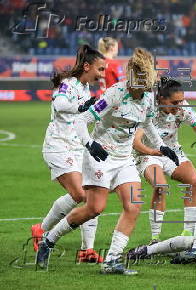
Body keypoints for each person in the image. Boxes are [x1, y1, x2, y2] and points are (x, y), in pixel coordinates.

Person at [36, 48, 179, 276]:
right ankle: (48, 240)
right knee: (94, 208)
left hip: (124, 160)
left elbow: (148, 124)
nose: (141, 90)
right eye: (138, 86)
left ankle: (111, 261)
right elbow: (82, 120)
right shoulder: (114, 93)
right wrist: (90, 145)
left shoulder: (148, 97)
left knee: (133, 206)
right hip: (99, 157)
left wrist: (161, 146)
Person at [31, 44, 106, 263]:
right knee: (80, 194)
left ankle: (87, 250)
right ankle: (41, 229)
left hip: (76, 146)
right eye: (99, 69)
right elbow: (62, 104)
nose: (101, 74)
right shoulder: (68, 84)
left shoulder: (85, 88)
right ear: (86, 66)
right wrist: (82, 107)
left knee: (93, 193)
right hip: (58, 146)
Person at [133, 77, 196, 244]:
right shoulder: (148, 108)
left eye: (181, 101)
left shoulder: (183, 108)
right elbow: (136, 143)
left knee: (194, 182)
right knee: (160, 186)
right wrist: (154, 151)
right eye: (174, 102)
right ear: (161, 99)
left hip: (172, 151)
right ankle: (155, 239)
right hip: (147, 153)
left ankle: (187, 234)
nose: (179, 106)